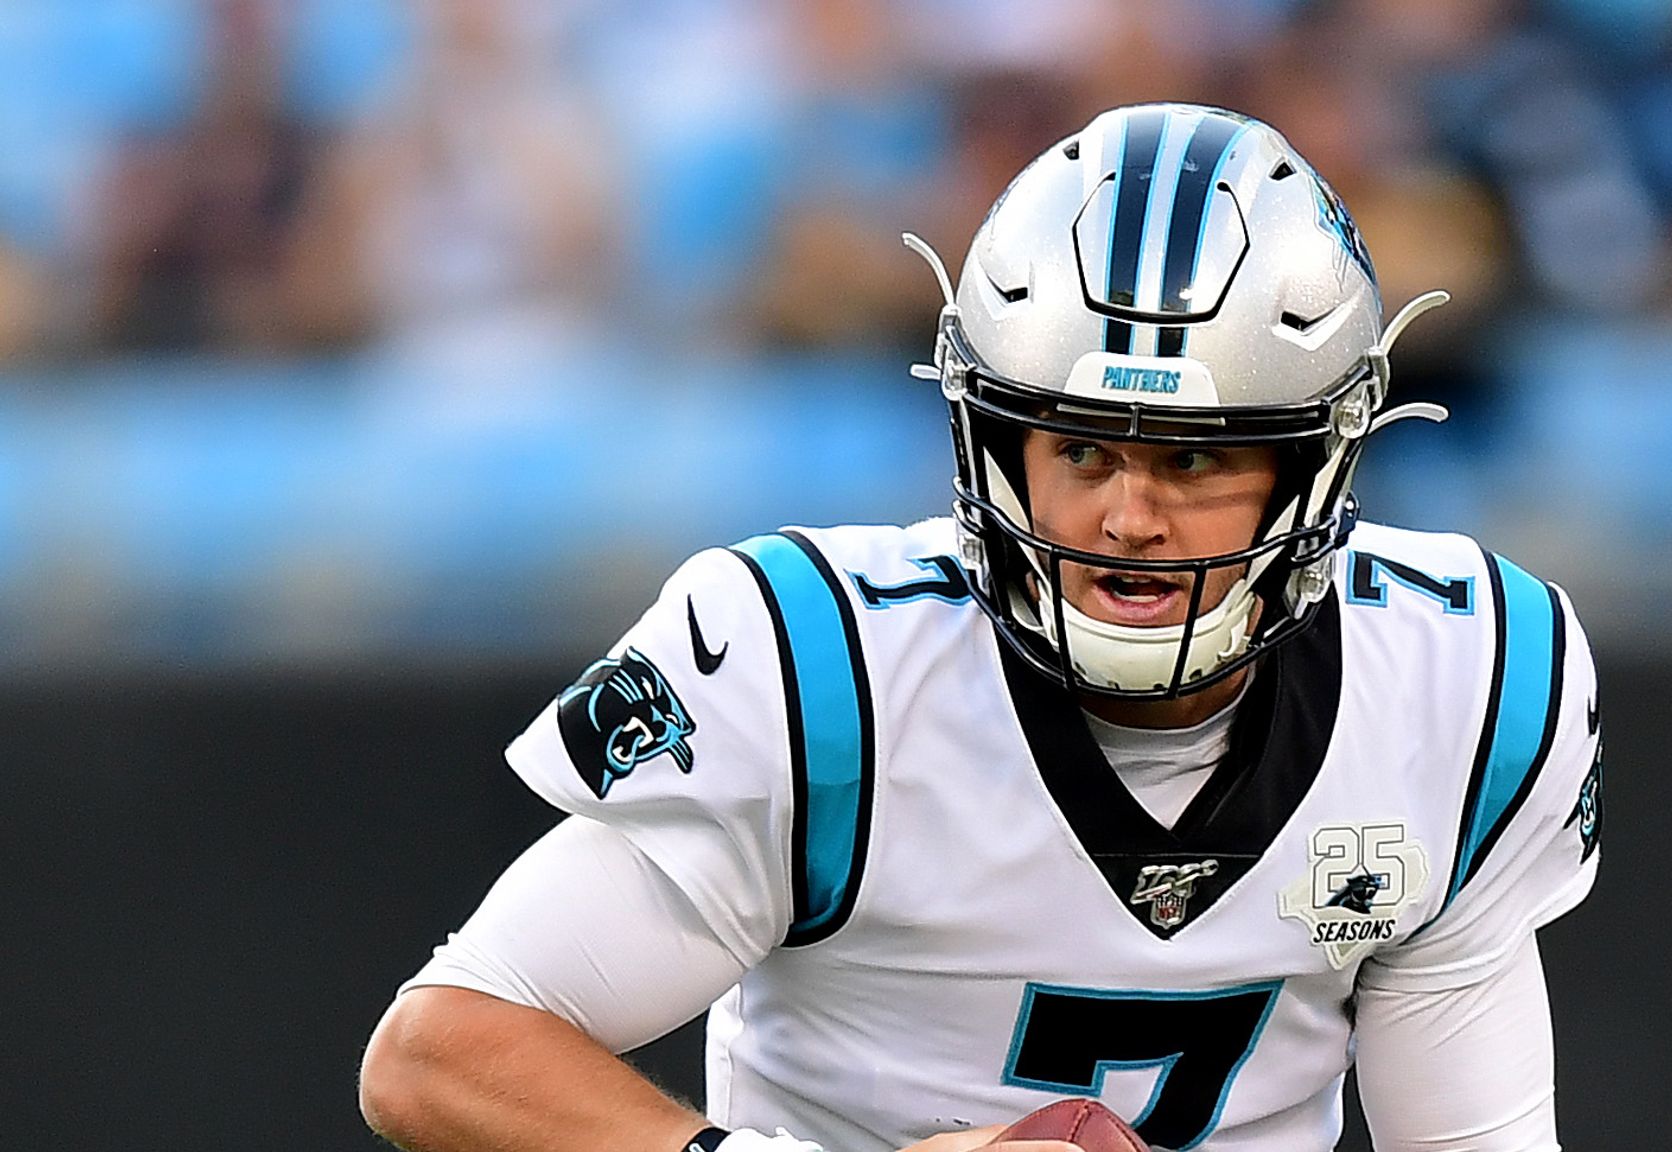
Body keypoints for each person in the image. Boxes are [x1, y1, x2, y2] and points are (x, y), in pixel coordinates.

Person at [359, 103, 1605, 1152]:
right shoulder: (823, 670)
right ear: (992, 445)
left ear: (1310, 467)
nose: (1127, 516)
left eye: (1192, 461)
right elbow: (441, 1055)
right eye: (1079, 449)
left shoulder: (1465, 684)